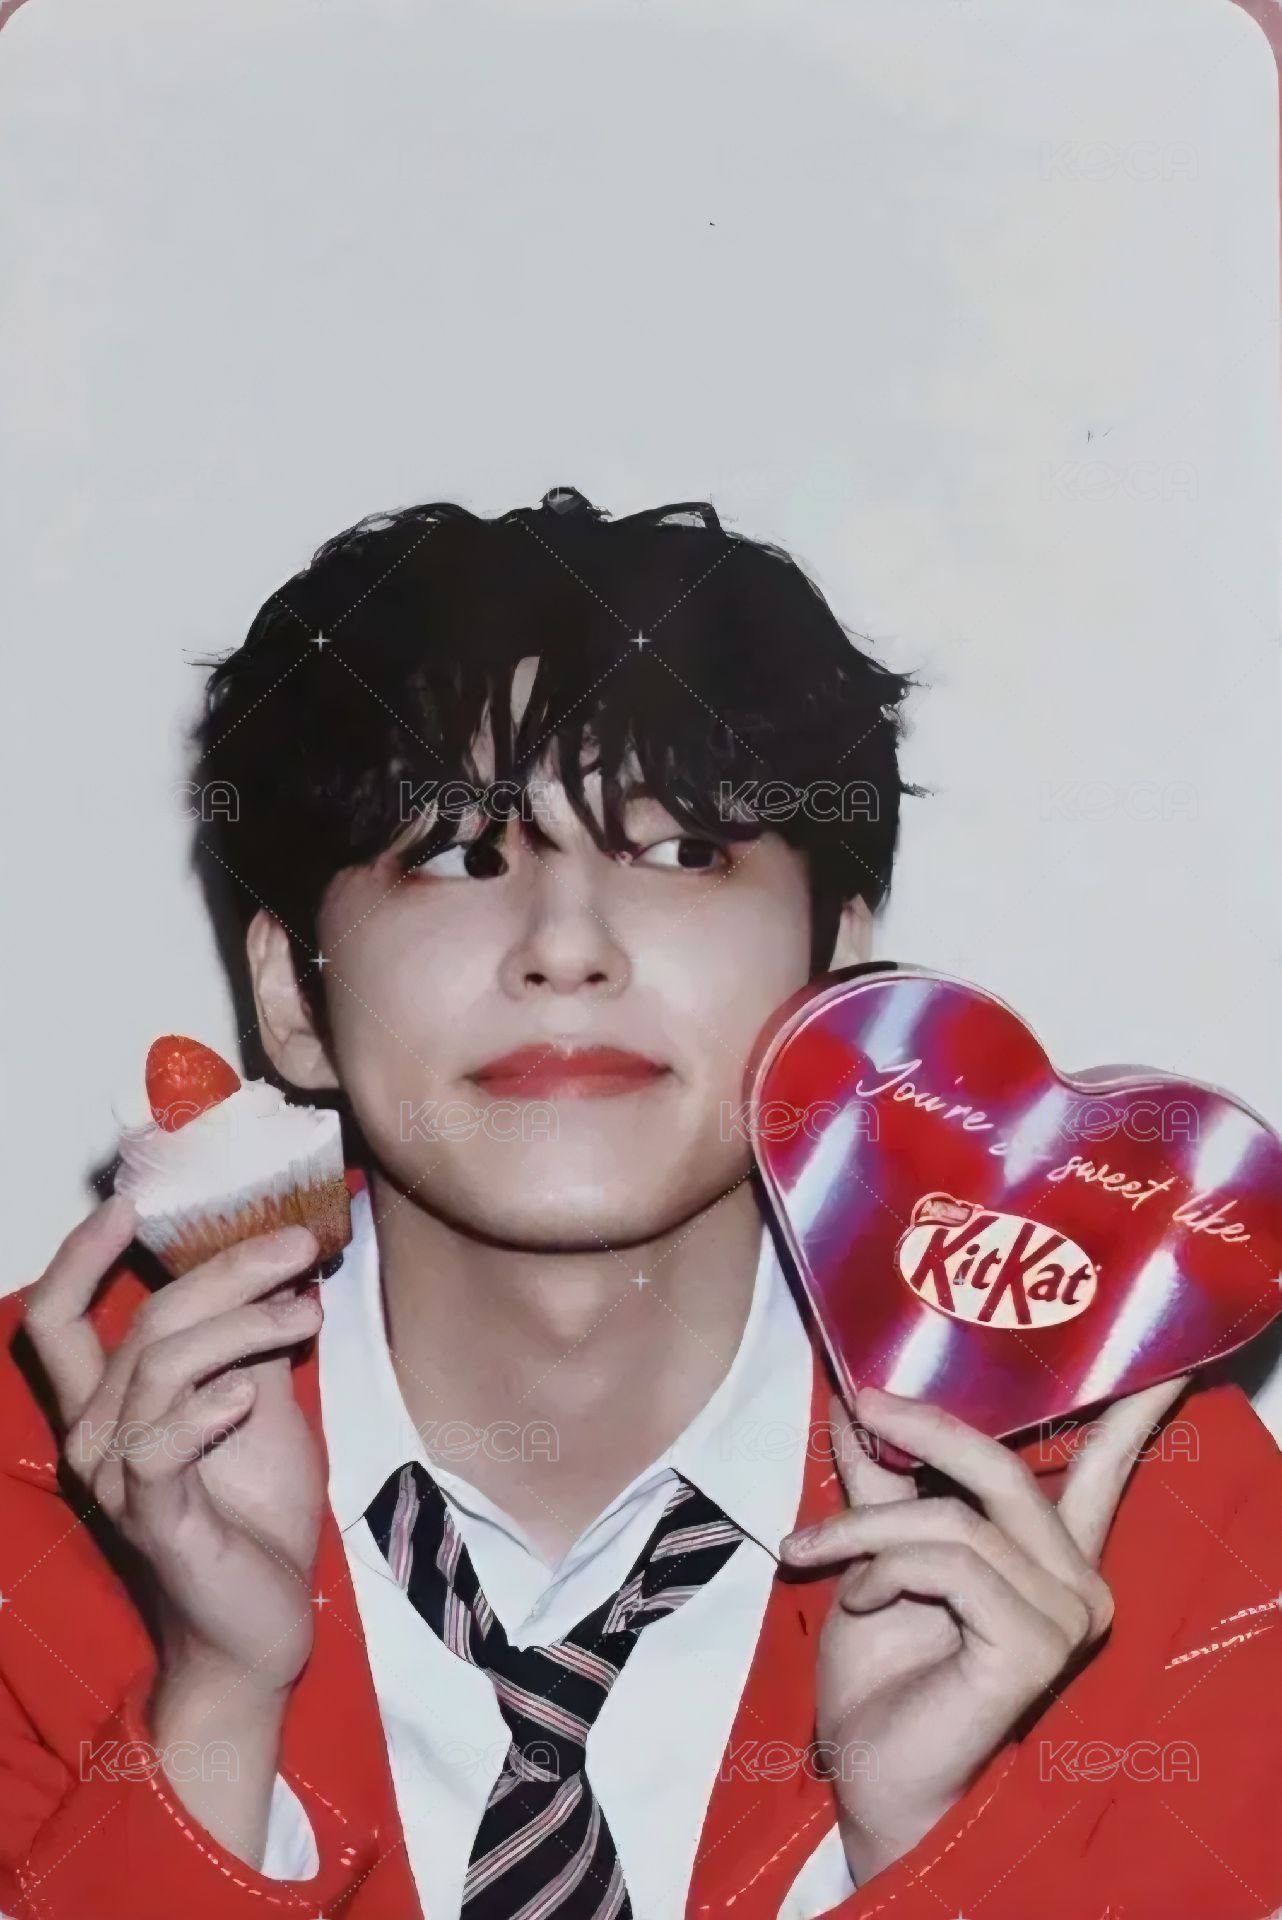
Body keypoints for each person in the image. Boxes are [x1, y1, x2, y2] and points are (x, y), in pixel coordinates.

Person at [2, 487, 1281, 1920]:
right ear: (292, 998)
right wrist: (216, 1711)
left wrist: (926, 1845)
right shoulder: (28, 1483)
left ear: (837, 982)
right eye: (457, 853)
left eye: (684, 853)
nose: (567, 946)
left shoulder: (1155, 1516)